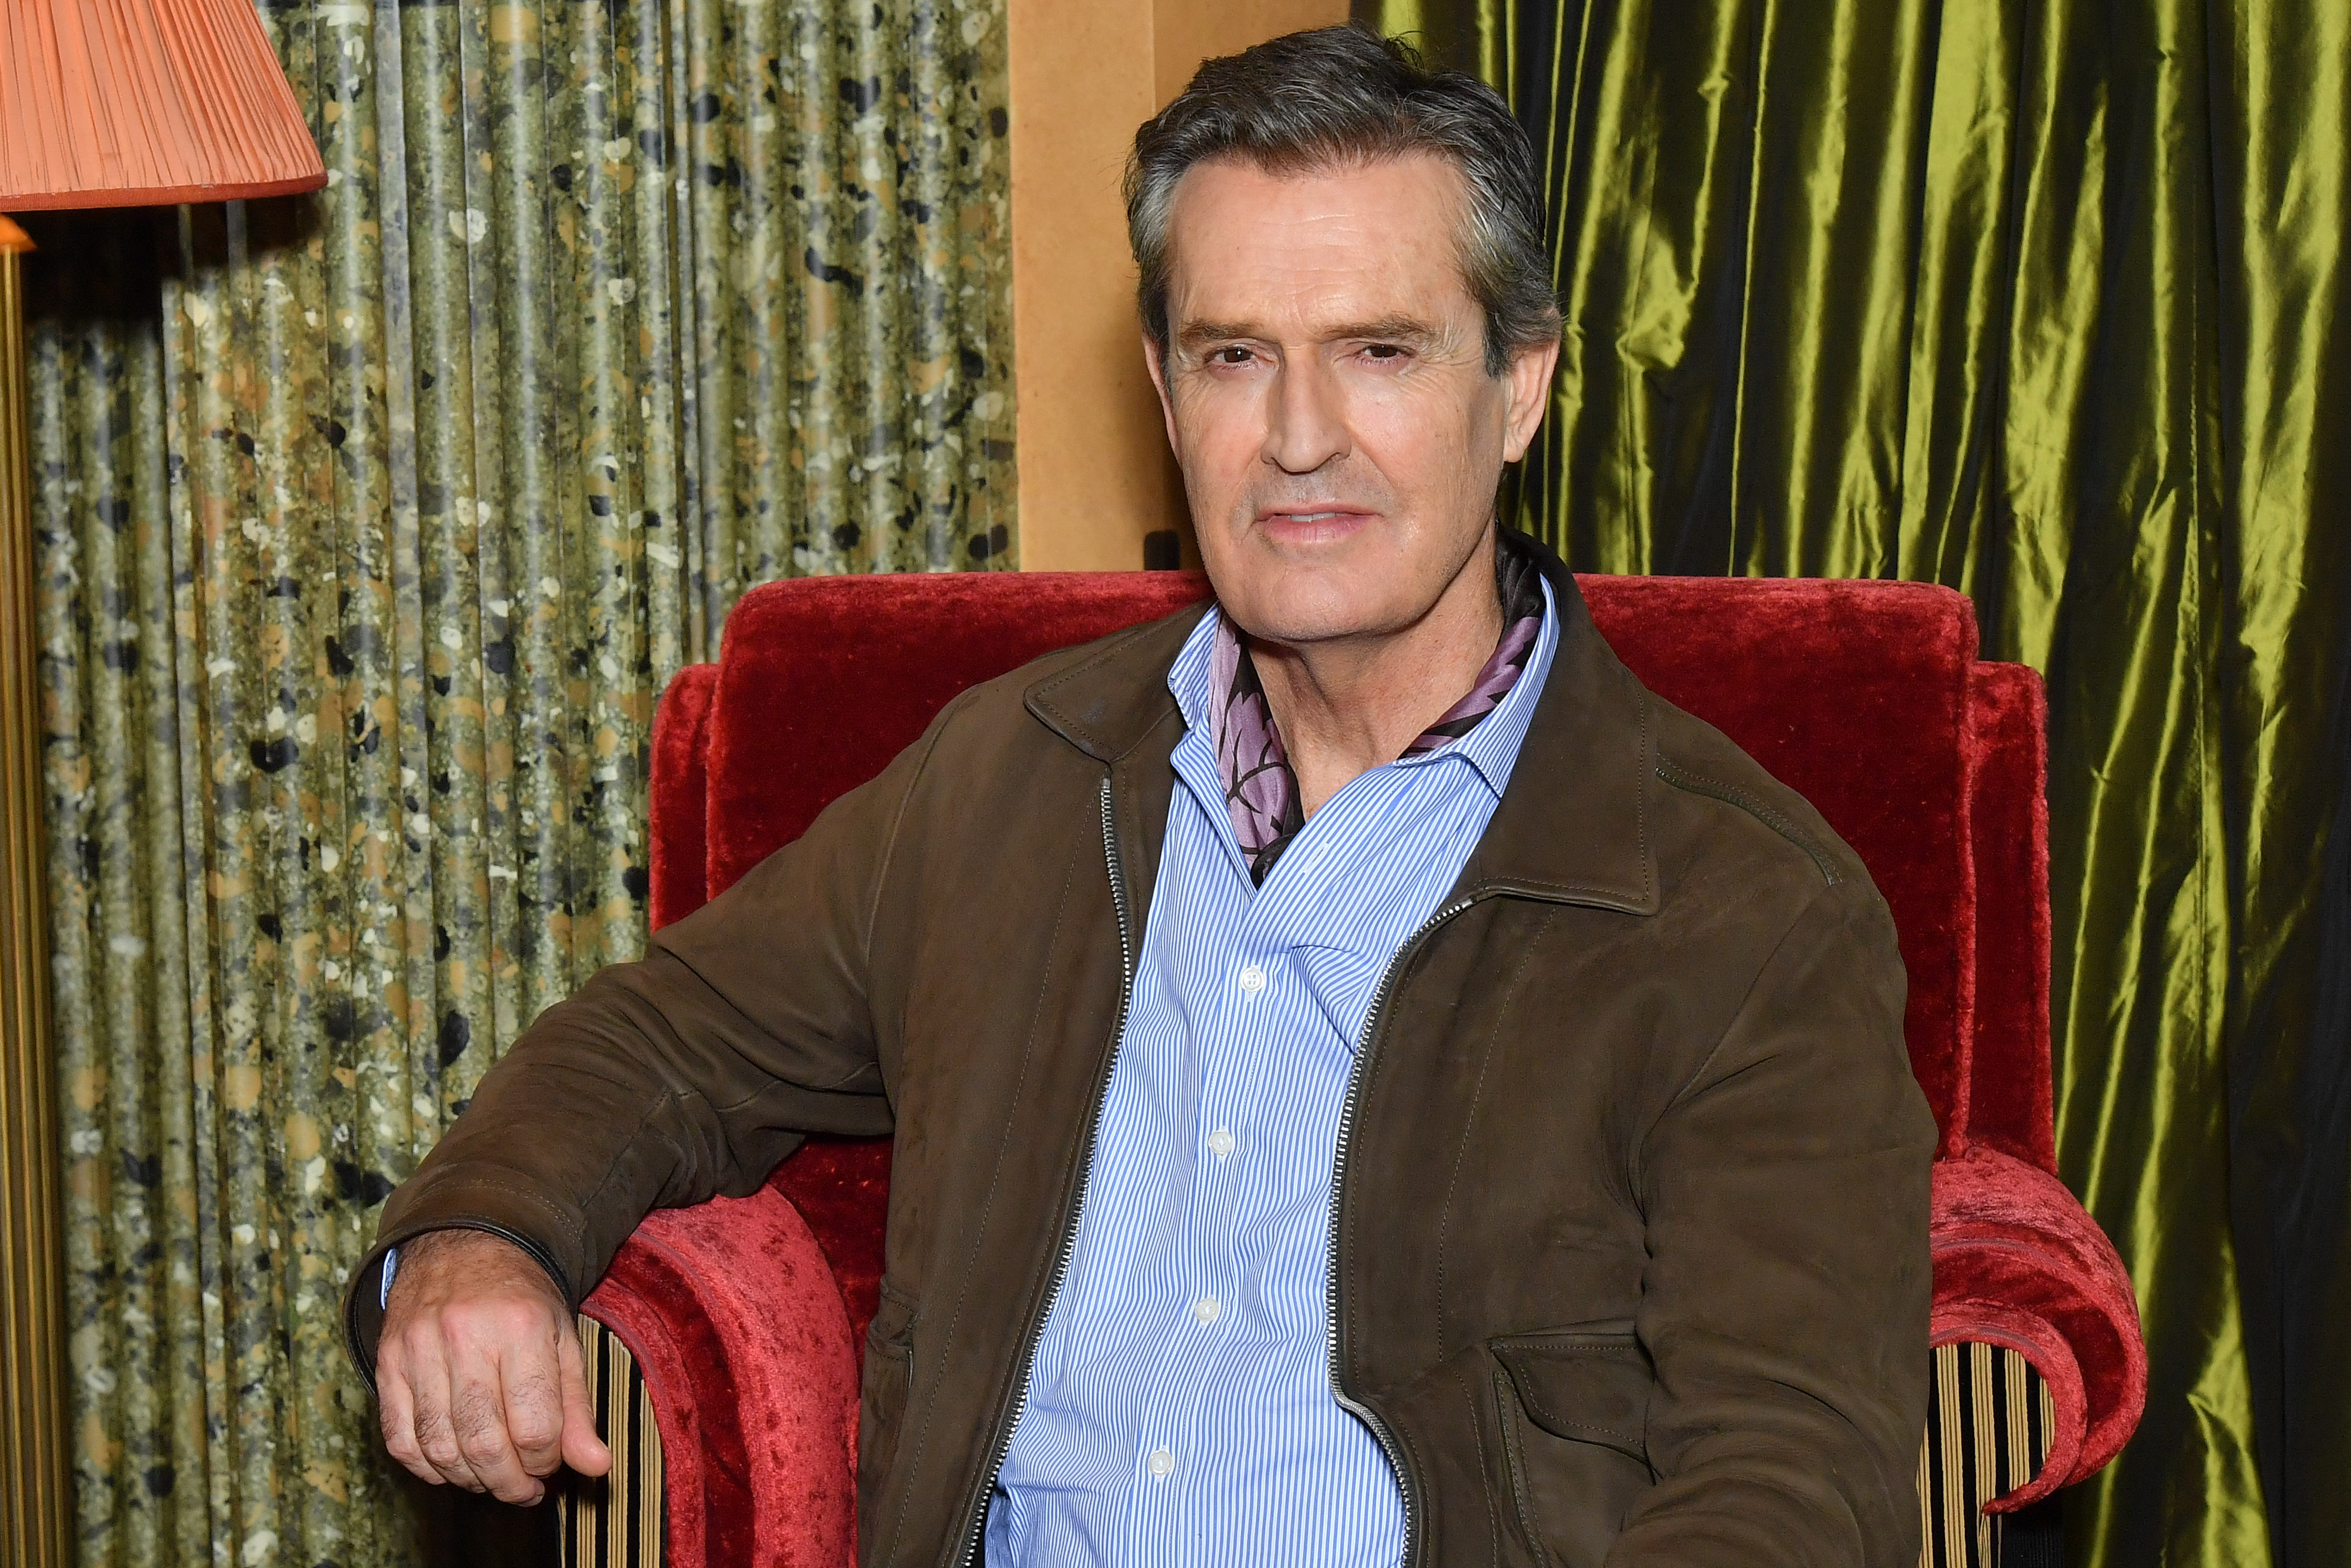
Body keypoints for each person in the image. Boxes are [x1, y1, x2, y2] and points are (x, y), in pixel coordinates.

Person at [348, 24, 1934, 1567]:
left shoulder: (1740, 910)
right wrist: (483, 1236)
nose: (1299, 439)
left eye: (1379, 352)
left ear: (1519, 386)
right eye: (1235, 357)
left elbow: (1788, 1478)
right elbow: (666, 1036)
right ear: (1169, 398)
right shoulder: (1011, 777)